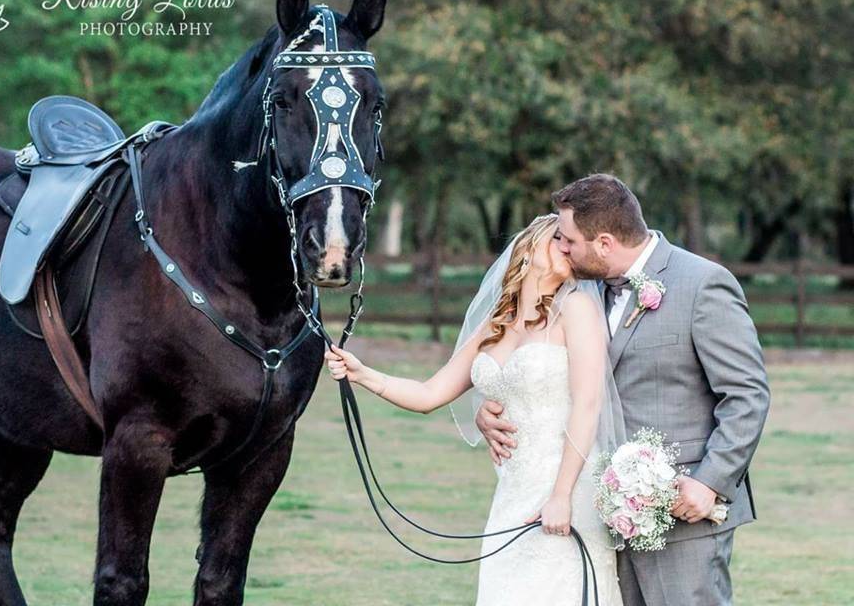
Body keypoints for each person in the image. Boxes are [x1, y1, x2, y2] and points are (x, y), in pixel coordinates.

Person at [475, 174, 771, 606]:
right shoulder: (579, 289)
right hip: (601, 512)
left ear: (605, 243)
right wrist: (495, 408)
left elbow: (747, 394)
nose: (562, 248)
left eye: (569, 239)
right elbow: (556, 375)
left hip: (681, 509)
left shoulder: (703, 284)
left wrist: (710, 481)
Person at [325, 213, 626, 605]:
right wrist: (364, 375)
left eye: (571, 243)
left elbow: (587, 405)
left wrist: (562, 495)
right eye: (558, 240)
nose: (568, 249)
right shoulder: (496, 323)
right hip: (513, 492)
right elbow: (430, 393)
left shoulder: (578, 308)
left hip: (566, 486)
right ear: (528, 246)